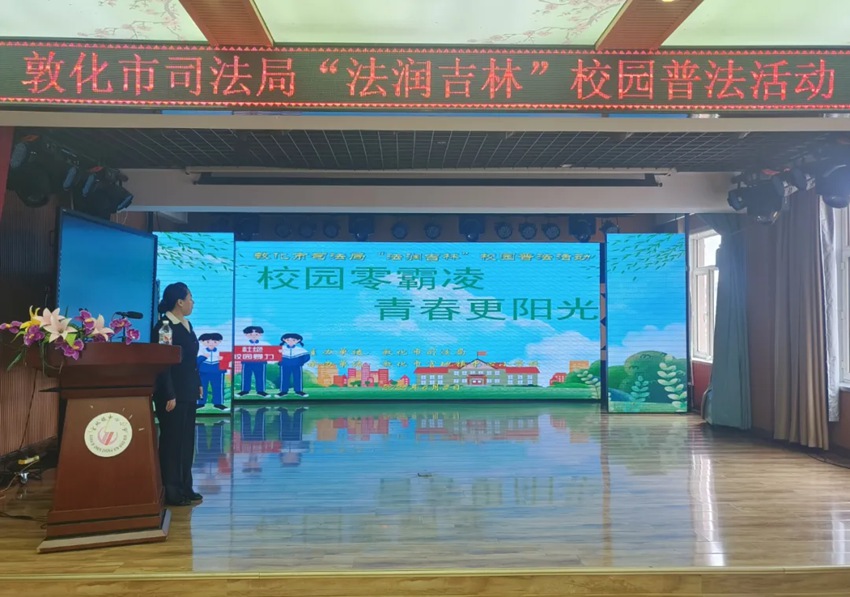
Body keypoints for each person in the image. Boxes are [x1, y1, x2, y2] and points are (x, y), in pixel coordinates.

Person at [153, 282, 203, 507]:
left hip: (188, 390)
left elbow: (191, 360)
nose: (193, 302)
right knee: (172, 442)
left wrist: (198, 383)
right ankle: (171, 490)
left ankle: (185, 486)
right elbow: (163, 364)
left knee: (186, 441)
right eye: (190, 298)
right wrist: (169, 394)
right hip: (172, 393)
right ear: (179, 302)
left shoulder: (186, 324)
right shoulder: (164, 327)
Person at [197, 332, 227, 410]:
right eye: (208, 341)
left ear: (219, 342)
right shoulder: (200, 351)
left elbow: (227, 361)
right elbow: (196, 362)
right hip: (203, 372)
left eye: (214, 341)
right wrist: (203, 357)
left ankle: (218, 403)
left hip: (217, 372)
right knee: (202, 387)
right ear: (202, 342)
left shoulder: (221, 351)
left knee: (217, 387)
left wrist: (222, 360)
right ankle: (200, 403)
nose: (211, 343)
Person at [277, 332, 310, 397]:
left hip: (297, 366)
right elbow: (274, 356)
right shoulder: (281, 349)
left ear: (298, 340)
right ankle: (283, 391)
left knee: (297, 378)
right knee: (284, 378)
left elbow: (307, 357)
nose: (290, 342)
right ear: (284, 340)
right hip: (285, 366)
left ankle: (298, 391)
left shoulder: (300, 350)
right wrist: (280, 362)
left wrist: (301, 362)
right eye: (288, 340)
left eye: (293, 340)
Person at [239, 325, 268, 396]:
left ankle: (261, 391)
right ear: (246, 335)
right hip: (247, 362)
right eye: (251, 334)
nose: (254, 336)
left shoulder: (265, 344)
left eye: (256, 334)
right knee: (246, 376)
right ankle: (245, 390)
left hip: (260, 362)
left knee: (260, 376)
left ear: (261, 334)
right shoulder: (242, 344)